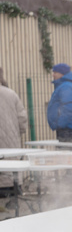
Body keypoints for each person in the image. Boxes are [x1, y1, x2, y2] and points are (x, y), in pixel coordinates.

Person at [0, 70, 28, 210]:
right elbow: (22, 119)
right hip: (10, 144)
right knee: (10, 172)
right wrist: (17, 134)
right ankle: (12, 203)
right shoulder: (11, 94)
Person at [47, 63, 72, 141]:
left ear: (62, 74)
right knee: (65, 151)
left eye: (55, 72)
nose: (53, 75)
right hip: (66, 127)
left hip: (66, 129)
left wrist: (60, 124)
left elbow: (68, 108)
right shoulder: (64, 86)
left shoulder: (66, 87)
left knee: (66, 151)